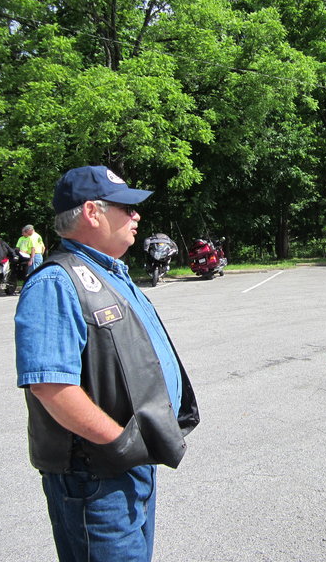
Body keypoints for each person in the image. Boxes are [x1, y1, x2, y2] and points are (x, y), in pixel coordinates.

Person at [14, 165, 199, 562]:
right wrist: (120, 442)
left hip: (129, 463)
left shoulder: (107, 272)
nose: (137, 215)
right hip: (96, 475)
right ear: (92, 213)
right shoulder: (55, 282)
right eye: (125, 207)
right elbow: (51, 387)